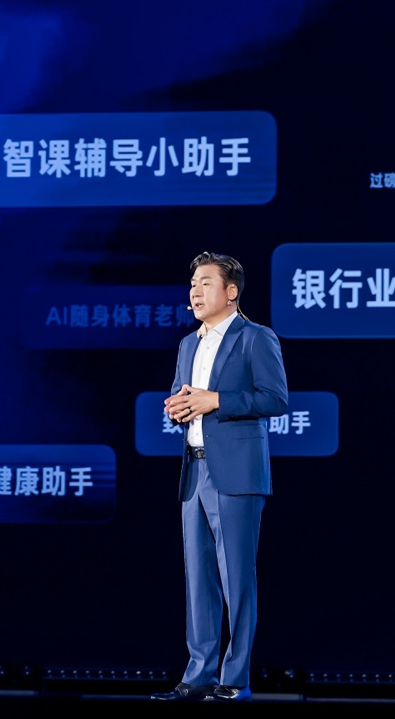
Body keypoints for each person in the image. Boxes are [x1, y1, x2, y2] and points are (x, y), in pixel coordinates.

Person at [150, 251, 289, 703]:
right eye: (193, 283)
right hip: (195, 469)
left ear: (231, 292)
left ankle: (236, 680)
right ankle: (198, 676)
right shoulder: (188, 344)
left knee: (237, 580)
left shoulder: (255, 337)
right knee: (199, 579)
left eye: (205, 283)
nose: (195, 291)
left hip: (237, 471)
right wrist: (177, 407)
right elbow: (182, 395)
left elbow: (275, 399)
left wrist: (217, 401)